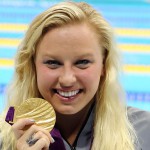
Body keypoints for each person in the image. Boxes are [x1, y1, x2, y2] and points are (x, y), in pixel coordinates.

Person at [0, 1, 150, 150]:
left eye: (82, 62)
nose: (67, 79)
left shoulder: (144, 131)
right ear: (32, 66)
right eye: (53, 63)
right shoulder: (4, 135)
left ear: (104, 65)